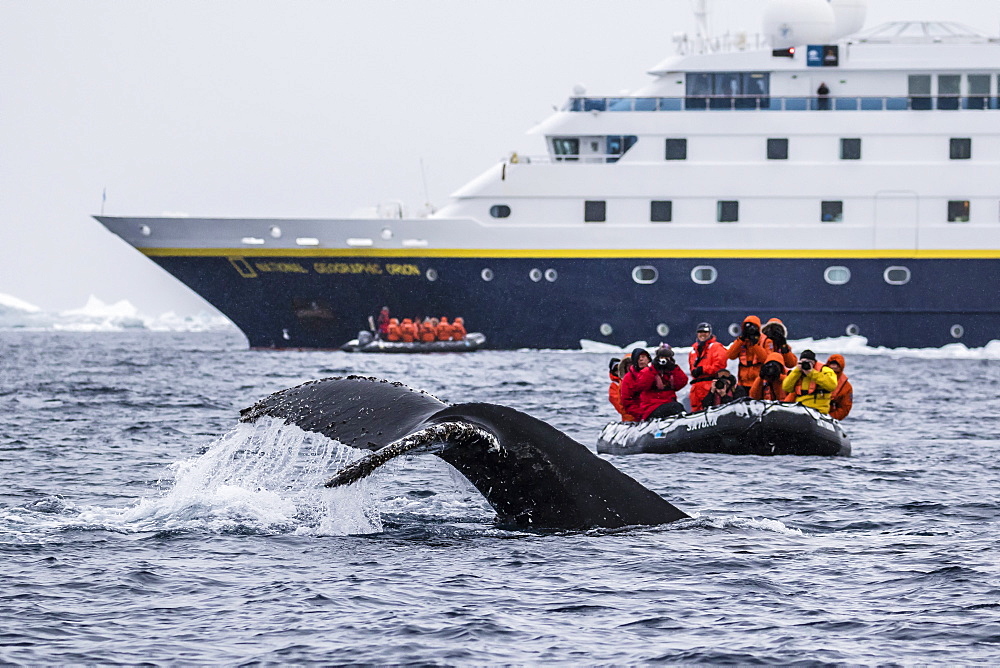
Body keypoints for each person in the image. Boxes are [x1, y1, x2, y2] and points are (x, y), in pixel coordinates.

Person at [632, 345, 688, 420]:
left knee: (677, 406)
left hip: (668, 403)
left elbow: (681, 383)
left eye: (666, 358)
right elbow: (642, 385)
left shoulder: (671, 371)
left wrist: (674, 368)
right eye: (661, 358)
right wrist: (654, 369)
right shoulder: (648, 371)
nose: (663, 361)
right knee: (676, 407)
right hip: (652, 407)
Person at [688, 322, 729, 412]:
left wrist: (703, 369)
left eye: (705, 332)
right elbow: (692, 370)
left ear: (710, 333)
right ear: (697, 334)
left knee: (712, 411)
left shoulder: (717, 347)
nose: (703, 334)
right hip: (696, 389)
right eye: (700, 332)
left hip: (710, 385)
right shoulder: (693, 351)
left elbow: (720, 367)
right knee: (695, 414)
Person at [781, 349, 838, 414]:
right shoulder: (797, 372)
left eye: (808, 362)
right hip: (800, 408)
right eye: (803, 362)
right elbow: (786, 387)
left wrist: (811, 372)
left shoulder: (825, 370)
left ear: (814, 362)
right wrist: (797, 371)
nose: (806, 364)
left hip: (818, 410)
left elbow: (832, 386)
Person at [727, 315, 770, 397]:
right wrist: (741, 340)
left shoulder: (765, 341)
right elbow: (730, 355)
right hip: (743, 383)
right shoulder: (741, 341)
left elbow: (765, 359)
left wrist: (755, 344)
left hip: (759, 383)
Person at [619, 347, 652, 420]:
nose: (641, 359)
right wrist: (641, 414)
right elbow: (626, 401)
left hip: (655, 410)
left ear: (648, 359)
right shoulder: (628, 379)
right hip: (637, 416)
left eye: (643, 357)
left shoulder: (656, 373)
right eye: (638, 358)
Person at [608, 356, 637, 422]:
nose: (618, 371)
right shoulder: (614, 386)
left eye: (619, 368)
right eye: (615, 369)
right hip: (630, 419)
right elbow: (621, 408)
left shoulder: (632, 379)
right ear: (612, 371)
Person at [826, 354, 854, 420]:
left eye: (837, 365)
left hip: (828, 415)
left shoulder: (846, 387)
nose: (834, 367)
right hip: (812, 411)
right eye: (832, 364)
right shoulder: (818, 377)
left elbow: (845, 408)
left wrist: (830, 417)